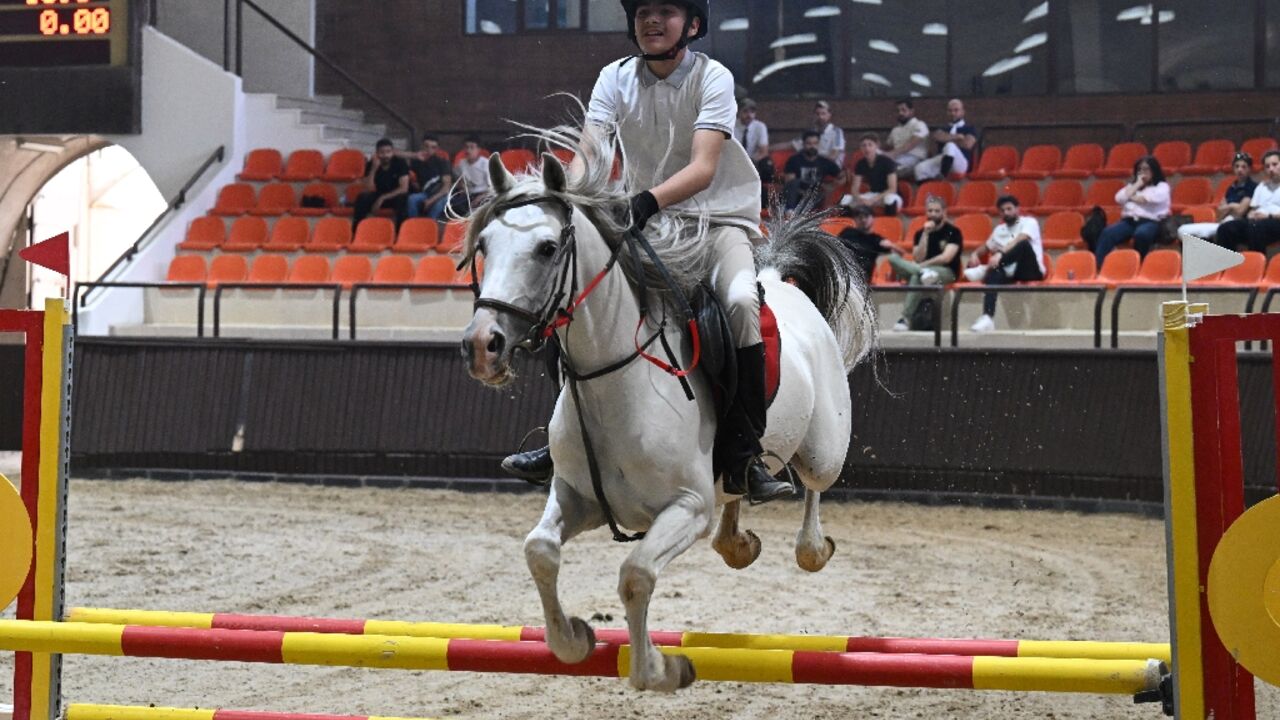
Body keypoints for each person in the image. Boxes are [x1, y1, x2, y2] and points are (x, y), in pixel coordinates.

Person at [502, 0, 792, 504]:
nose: (652, 22)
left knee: (743, 301)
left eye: (666, 12)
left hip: (715, 221)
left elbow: (703, 168)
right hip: (647, 221)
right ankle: (559, 441)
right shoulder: (613, 77)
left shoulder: (713, 77)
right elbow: (589, 152)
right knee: (570, 291)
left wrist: (646, 200)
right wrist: (563, 199)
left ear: (693, 26)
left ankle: (745, 453)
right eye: (642, 15)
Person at [966, 195, 1044, 333]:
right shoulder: (999, 230)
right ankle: (987, 318)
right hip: (1009, 271)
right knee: (994, 274)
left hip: (1030, 270)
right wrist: (975, 254)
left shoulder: (1029, 222)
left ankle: (984, 269)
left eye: (1009, 209)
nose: (1006, 212)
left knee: (1023, 245)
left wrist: (1000, 254)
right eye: (1003, 210)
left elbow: (1020, 239)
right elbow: (986, 246)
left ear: (1017, 209)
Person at [888, 195, 961, 331]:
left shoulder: (953, 232)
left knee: (916, 276)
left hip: (946, 272)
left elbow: (946, 258)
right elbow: (918, 257)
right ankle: (922, 273)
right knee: (892, 258)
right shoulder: (920, 233)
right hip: (924, 270)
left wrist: (922, 266)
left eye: (936, 211)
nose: (933, 214)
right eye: (930, 211)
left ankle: (905, 318)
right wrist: (926, 234)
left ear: (944, 212)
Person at [1093, 155, 1171, 265]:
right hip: (1129, 221)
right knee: (1108, 233)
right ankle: (1098, 266)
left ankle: (1138, 264)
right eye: (1139, 169)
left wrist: (1130, 197)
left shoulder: (1162, 186)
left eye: (1146, 169)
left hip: (1151, 222)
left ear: (1154, 170)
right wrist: (1137, 184)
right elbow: (1119, 198)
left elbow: (1145, 199)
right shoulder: (1132, 186)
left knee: (1141, 234)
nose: (1142, 172)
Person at [1178, 151, 1256, 242]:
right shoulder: (1231, 188)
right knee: (1182, 230)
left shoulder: (1252, 187)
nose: (1240, 170)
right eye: (1237, 166)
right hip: (1223, 222)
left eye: (1243, 167)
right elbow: (1219, 212)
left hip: (1238, 224)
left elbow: (1240, 211)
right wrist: (1233, 206)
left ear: (1250, 169)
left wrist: (1229, 206)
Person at [1214, 150, 1280, 252]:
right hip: (1258, 222)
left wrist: (1268, 216)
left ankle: (1255, 264)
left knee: (1256, 227)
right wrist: (1251, 214)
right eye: (1267, 166)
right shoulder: (1262, 186)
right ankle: (1227, 265)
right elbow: (1253, 209)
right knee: (1226, 228)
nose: (1271, 169)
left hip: (1276, 221)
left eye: (1274, 164)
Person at [912, 98, 978, 181]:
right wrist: (957, 136)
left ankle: (942, 176)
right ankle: (931, 190)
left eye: (956, 110)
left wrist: (947, 139)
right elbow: (937, 136)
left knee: (950, 146)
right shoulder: (943, 128)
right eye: (950, 111)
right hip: (943, 159)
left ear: (962, 112)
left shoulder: (969, 128)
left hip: (960, 163)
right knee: (919, 169)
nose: (953, 113)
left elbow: (968, 144)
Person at [352, 138, 410, 229]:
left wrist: (382, 198)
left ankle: (400, 234)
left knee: (402, 199)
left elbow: (404, 188)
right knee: (362, 197)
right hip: (380, 193)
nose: (385, 155)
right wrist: (374, 169)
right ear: (377, 153)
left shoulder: (400, 163)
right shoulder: (372, 164)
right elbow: (368, 188)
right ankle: (356, 231)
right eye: (382, 152)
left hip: (395, 194)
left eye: (388, 152)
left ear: (392, 152)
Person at [836, 203, 903, 281]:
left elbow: (900, 253)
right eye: (860, 217)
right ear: (855, 219)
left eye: (866, 216)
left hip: (862, 277)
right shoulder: (847, 233)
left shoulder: (876, 240)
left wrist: (891, 245)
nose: (863, 220)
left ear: (872, 218)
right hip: (843, 271)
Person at [782, 130, 842, 214]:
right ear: (803, 144)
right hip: (798, 196)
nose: (812, 146)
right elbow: (790, 182)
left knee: (823, 190)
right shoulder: (794, 160)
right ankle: (789, 212)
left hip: (816, 197)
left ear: (819, 145)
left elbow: (842, 175)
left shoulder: (824, 162)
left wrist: (834, 185)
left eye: (815, 143)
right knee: (794, 182)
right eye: (809, 143)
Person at [843, 133, 902, 215]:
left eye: (870, 145)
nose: (867, 148)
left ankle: (890, 223)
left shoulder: (887, 162)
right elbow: (855, 188)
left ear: (876, 146)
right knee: (846, 199)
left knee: (889, 199)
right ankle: (849, 225)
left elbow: (892, 189)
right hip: (873, 194)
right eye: (864, 145)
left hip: (889, 195)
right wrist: (859, 199)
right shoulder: (860, 164)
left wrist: (873, 200)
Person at [405, 134, 453, 220]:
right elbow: (393, 153)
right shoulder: (417, 161)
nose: (429, 150)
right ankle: (413, 224)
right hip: (426, 193)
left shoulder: (442, 162)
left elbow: (446, 188)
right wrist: (414, 155)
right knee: (411, 199)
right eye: (426, 146)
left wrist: (430, 200)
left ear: (437, 149)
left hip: (440, 194)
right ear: (422, 146)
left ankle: (429, 224)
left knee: (441, 202)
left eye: (433, 147)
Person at [785, 100, 845, 167]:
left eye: (823, 114)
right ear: (814, 116)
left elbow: (833, 156)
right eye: (817, 114)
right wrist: (770, 147)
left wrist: (812, 159)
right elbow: (791, 144)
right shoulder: (810, 131)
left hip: (831, 168)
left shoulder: (837, 132)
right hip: (812, 166)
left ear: (829, 115)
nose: (820, 117)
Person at [883, 98, 929, 180]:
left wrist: (892, 154)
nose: (900, 113)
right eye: (898, 110)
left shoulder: (919, 124)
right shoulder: (895, 130)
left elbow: (911, 144)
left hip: (914, 159)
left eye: (903, 110)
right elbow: (886, 147)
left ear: (911, 111)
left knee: (888, 169)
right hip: (897, 158)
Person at [450, 136, 492, 216]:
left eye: (472, 147)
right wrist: (461, 185)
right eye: (466, 147)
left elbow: (492, 188)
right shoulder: (461, 163)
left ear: (478, 150)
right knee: (454, 205)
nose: (468, 150)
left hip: (484, 194)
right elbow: (458, 177)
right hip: (469, 195)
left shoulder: (486, 164)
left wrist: (480, 197)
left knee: (484, 206)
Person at [735, 97, 771, 187]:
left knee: (766, 163)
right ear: (739, 112)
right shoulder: (731, 125)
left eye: (752, 112)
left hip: (753, 161)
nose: (749, 115)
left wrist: (749, 164)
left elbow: (764, 152)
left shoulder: (760, 126)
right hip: (735, 161)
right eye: (745, 111)